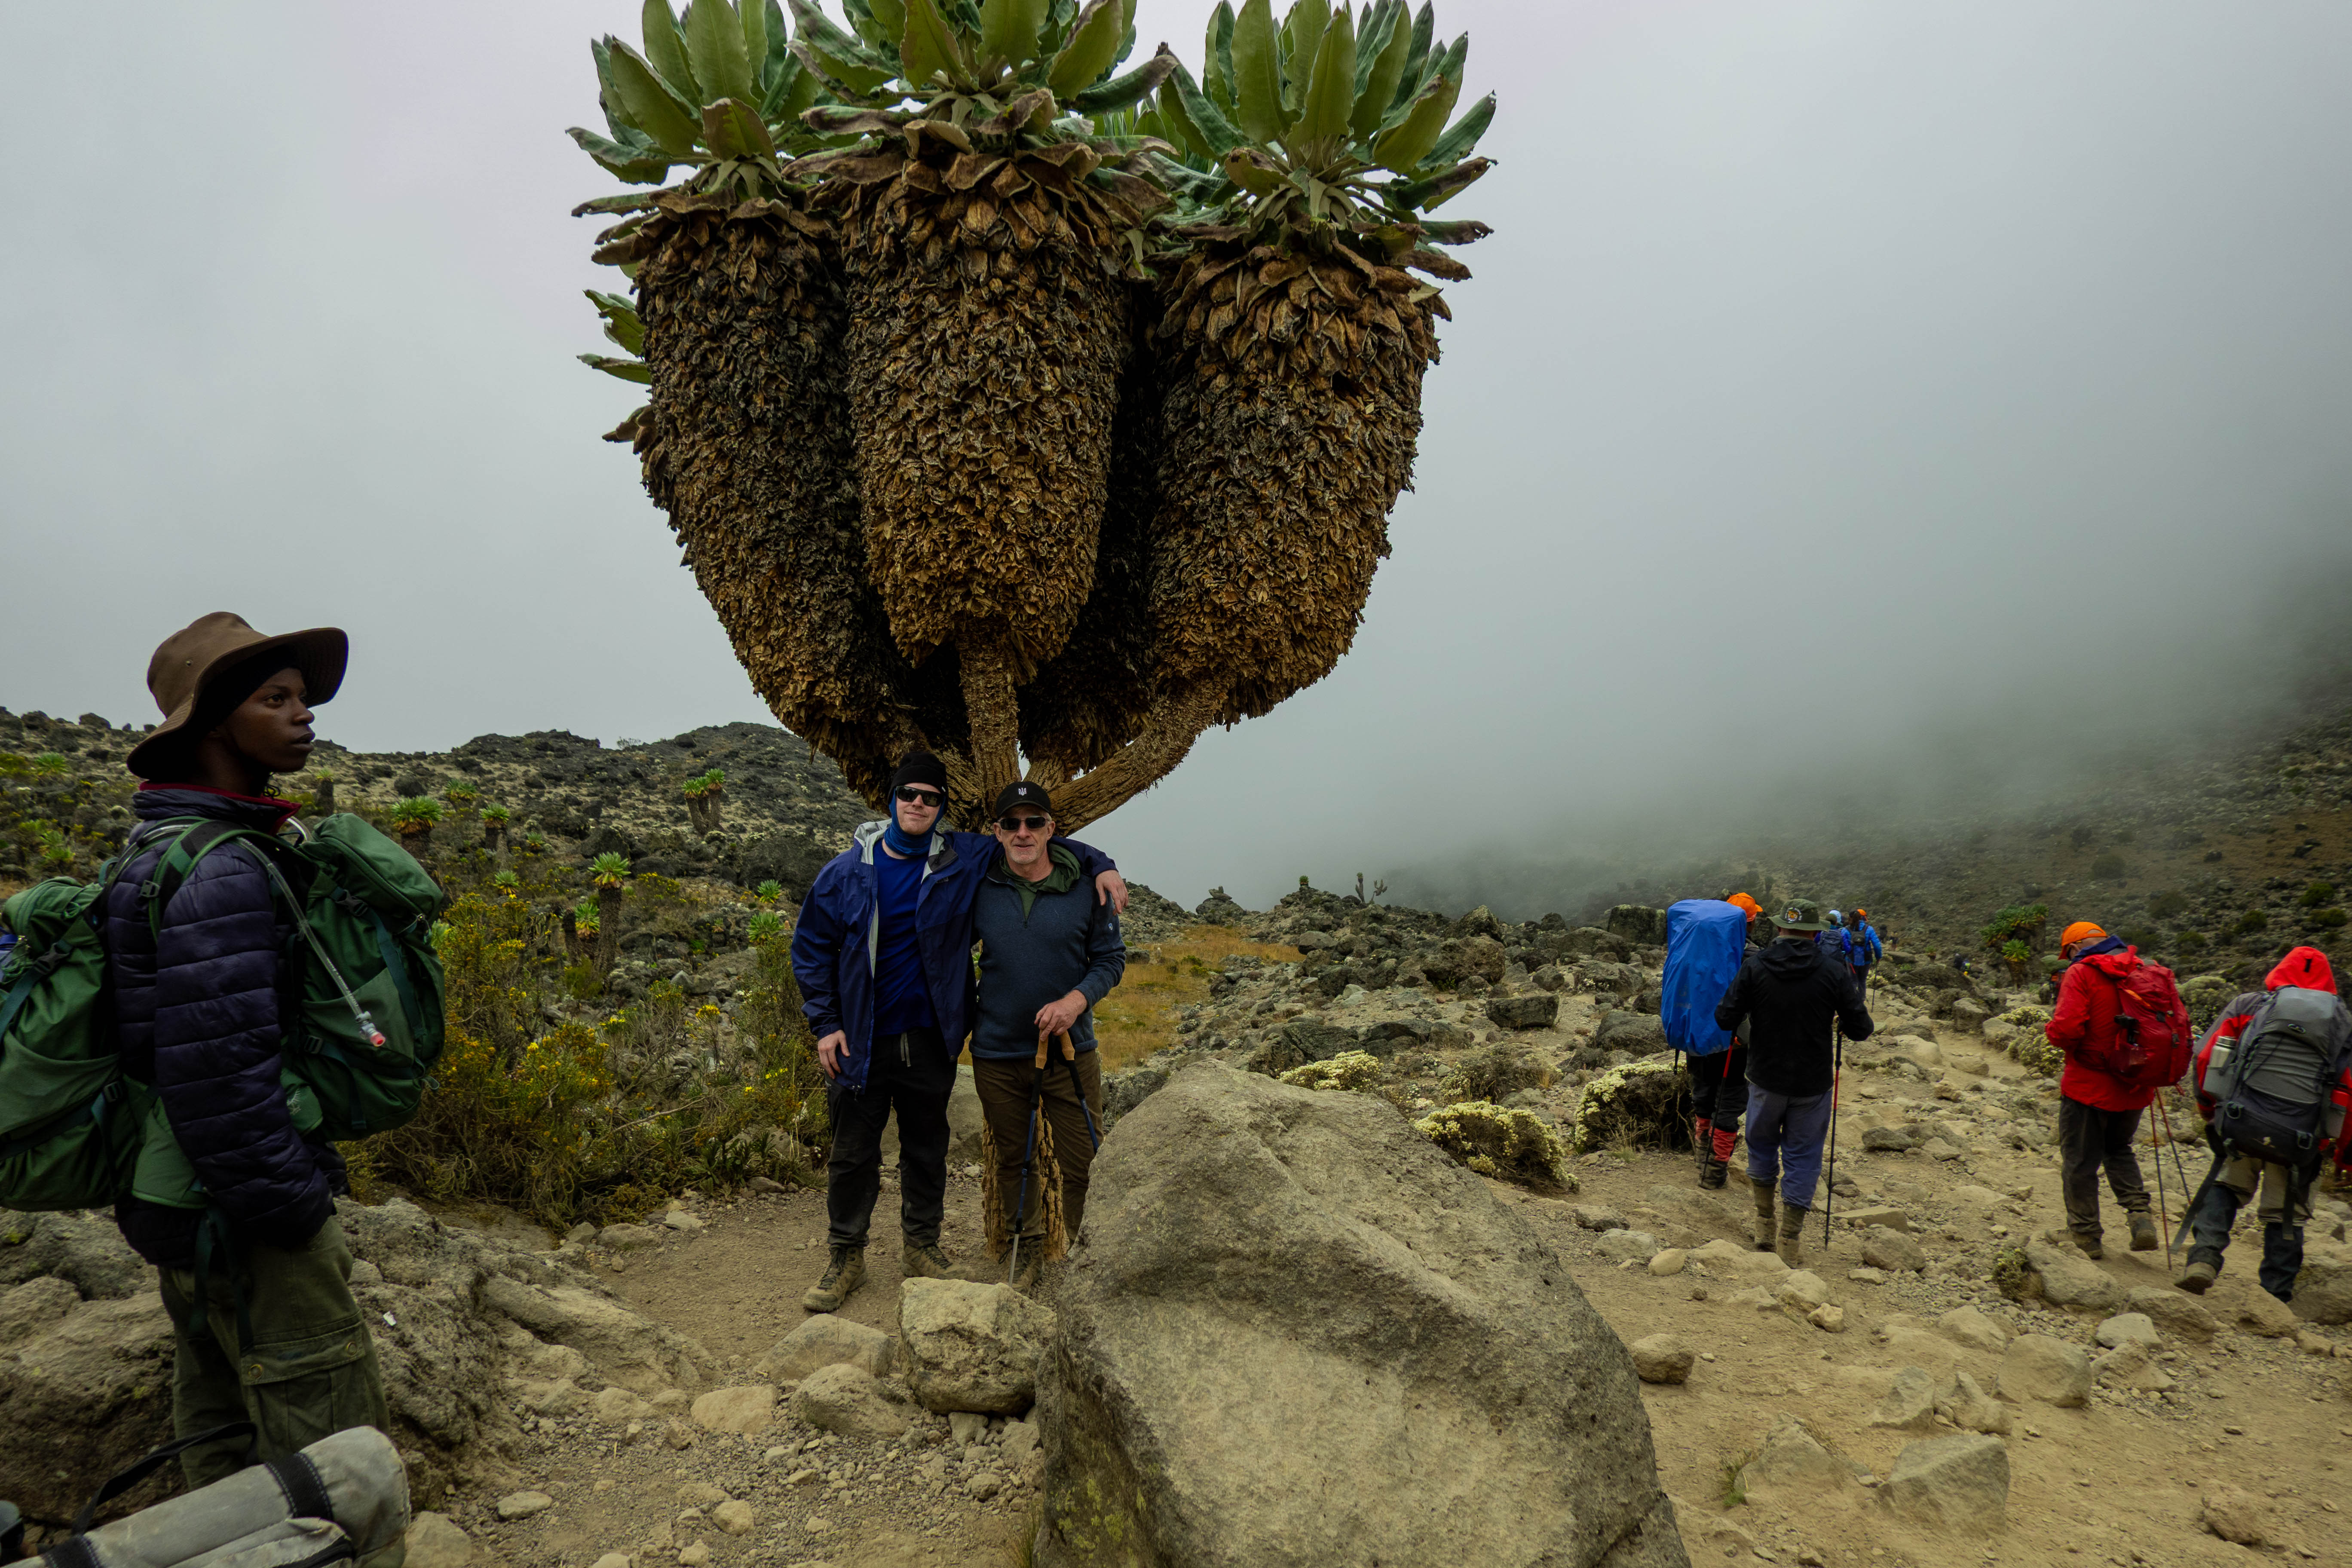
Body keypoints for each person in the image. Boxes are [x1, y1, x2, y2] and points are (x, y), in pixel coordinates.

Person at [105, 612, 391, 1487]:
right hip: (243, 1216)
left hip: (173, 1197)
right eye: (277, 699)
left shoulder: (156, 845)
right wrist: (298, 1215)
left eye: (304, 699)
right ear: (216, 721)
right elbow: (219, 1076)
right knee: (334, 1467)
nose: (304, 716)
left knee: (222, 1449)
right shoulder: (225, 866)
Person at [790, 753, 1126, 1313]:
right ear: (892, 800)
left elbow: (1043, 847)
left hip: (929, 1037)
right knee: (853, 1154)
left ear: (943, 807)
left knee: (927, 1148)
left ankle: (921, 1247)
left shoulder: (959, 859)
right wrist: (825, 1026)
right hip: (861, 1039)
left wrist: (1103, 863)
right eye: (908, 794)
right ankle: (845, 1255)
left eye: (929, 796)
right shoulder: (847, 872)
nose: (918, 803)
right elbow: (811, 950)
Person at [966, 781, 1126, 1286]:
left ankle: (1086, 1252)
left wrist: (1075, 1001)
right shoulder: (978, 887)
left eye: (1034, 822)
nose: (1023, 832)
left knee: (1085, 1160)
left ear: (1051, 829)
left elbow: (1110, 959)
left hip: (1070, 1052)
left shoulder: (1088, 887)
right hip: (996, 1053)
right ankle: (1027, 1247)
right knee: (1016, 1159)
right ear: (996, 832)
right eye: (1011, 823)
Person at [2177, 946, 2352, 1298]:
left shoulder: (2250, 1005)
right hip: (2302, 1138)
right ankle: (2274, 1296)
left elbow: (2207, 1056)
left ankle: (2204, 1259)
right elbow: (2348, 1087)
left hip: (2243, 1120)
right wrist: (2343, 1154)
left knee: (2227, 1186)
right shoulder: (2343, 1024)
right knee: (2286, 1214)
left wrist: (2209, 1111)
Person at [1715, 898, 1874, 1265]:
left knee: (1762, 1146)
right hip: (1813, 1082)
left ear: (1779, 928)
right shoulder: (1834, 972)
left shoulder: (1755, 968)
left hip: (1765, 1077)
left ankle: (1763, 1224)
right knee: (1803, 1158)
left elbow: (1725, 1018)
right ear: (1816, 933)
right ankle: (1790, 1240)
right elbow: (1862, 1029)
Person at [2042, 920, 2163, 1257]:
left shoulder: (2082, 973)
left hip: (2088, 1086)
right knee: (2118, 1148)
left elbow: (2067, 1030)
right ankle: (2140, 1217)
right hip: (2136, 1084)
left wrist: (2050, 1030)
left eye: (2067, 954)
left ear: (2074, 948)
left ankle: (2085, 1235)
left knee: (2080, 1160)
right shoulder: (2145, 968)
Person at [1691, 894, 1762, 1190]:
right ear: (1750, 922)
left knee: (1703, 1095)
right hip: (1734, 1043)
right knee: (1729, 1104)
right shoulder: (1753, 957)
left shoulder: (1700, 948)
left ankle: (1701, 1153)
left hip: (1698, 1037)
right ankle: (1716, 1169)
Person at [1847, 908, 1884, 986]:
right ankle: (1862, 998)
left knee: (1853, 981)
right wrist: (1878, 957)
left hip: (1851, 959)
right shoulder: (1869, 929)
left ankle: (1852, 997)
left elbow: (1843, 944)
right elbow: (1877, 945)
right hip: (1865, 959)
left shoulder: (1846, 929)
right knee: (1862, 981)